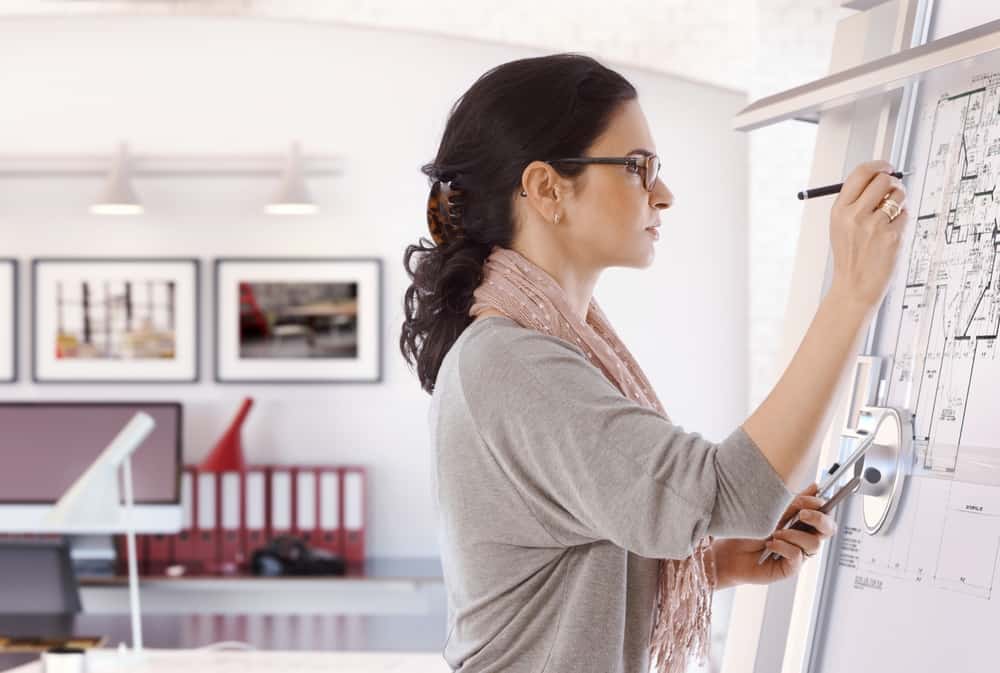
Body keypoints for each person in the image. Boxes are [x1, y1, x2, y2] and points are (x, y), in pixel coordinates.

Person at [400, 53, 908, 673]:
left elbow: (559, 567)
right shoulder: (513, 362)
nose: (662, 195)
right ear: (546, 189)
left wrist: (713, 563)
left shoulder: (527, 350)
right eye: (639, 168)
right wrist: (853, 290)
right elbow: (734, 491)